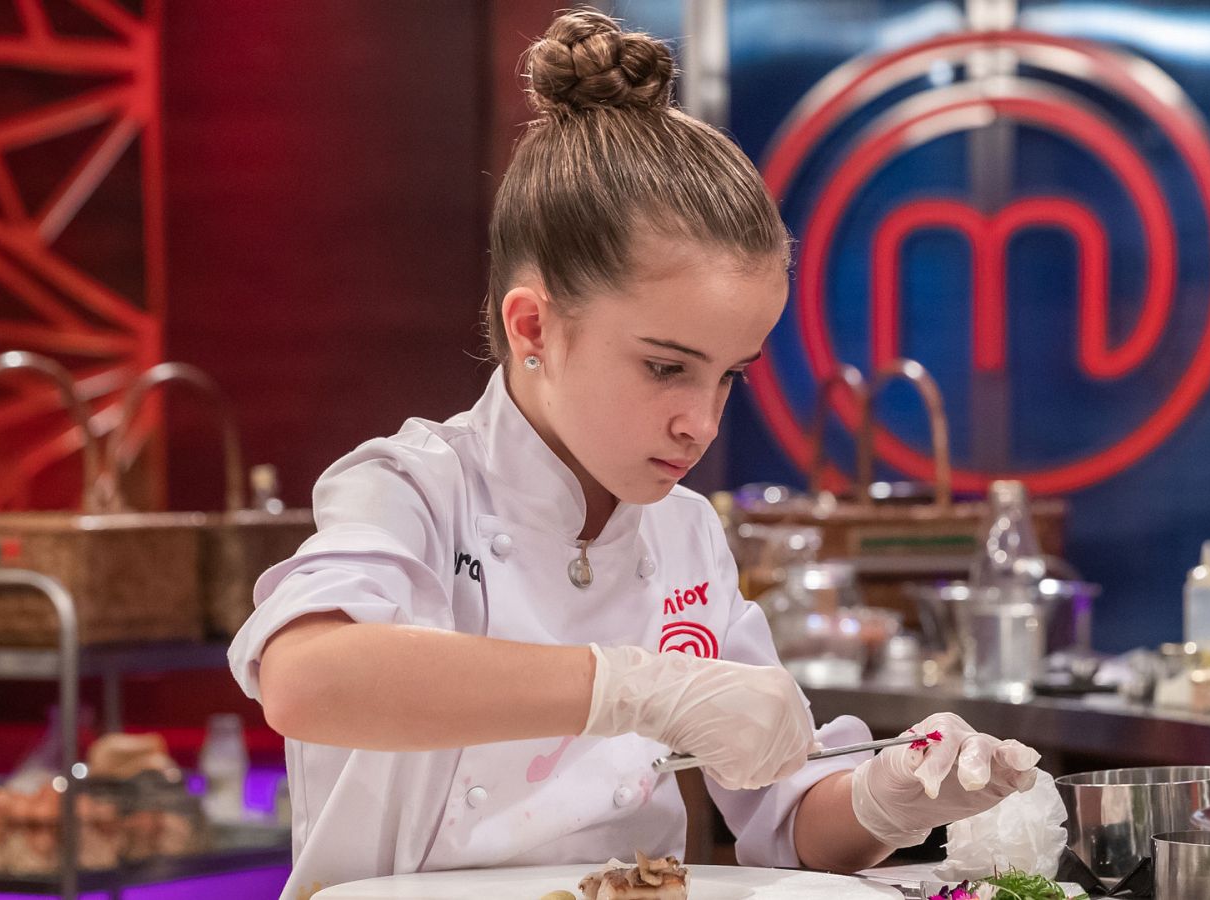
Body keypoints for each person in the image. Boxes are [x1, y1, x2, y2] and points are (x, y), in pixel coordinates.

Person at [229, 10, 1040, 898]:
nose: (702, 423)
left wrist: (895, 798)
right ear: (533, 328)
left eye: (730, 376)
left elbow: (787, 821)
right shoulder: (413, 487)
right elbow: (306, 679)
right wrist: (631, 687)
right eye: (665, 367)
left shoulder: (684, 535)